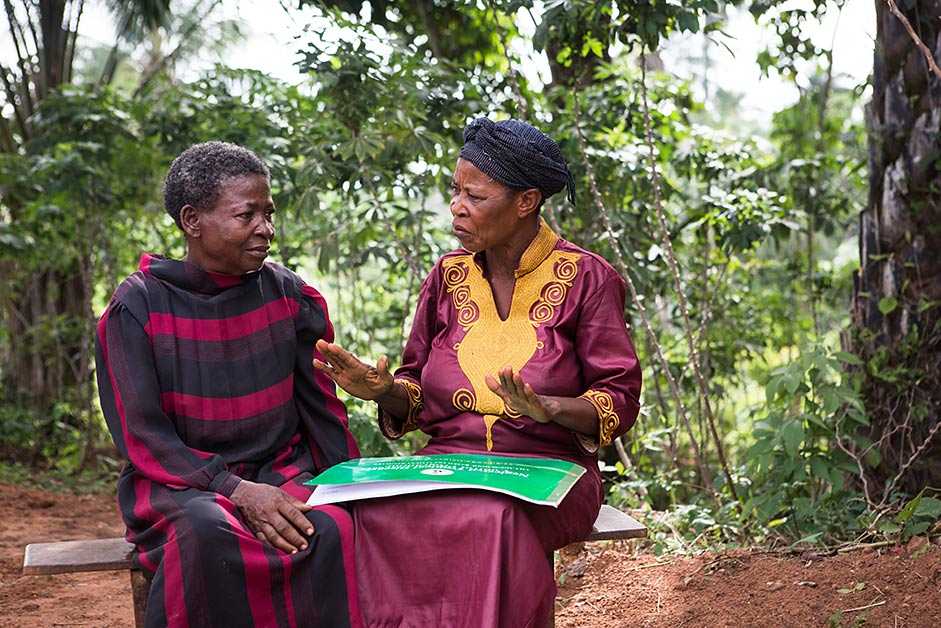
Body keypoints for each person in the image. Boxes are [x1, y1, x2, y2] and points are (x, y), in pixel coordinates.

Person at [315, 117, 642, 627]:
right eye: (454, 191)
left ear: (526, 202)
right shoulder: (448, 276)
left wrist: (551, 407)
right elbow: (417, 389)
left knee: (492, 518)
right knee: (367, 515)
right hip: (448, 464)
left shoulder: (588, 279)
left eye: (475, 195)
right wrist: (384, 392)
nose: (457, 207)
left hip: (551, 473)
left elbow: (620, 400)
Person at [95, 141, 362, 628]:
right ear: (192, 221)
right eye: (247, 215)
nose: (266, 229)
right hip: (181, 484)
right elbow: (144, 436)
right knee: (206, 534)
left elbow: (321, 409)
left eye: (269, 213)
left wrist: (353, 484)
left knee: (333, 525)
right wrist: (232, 487)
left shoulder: (289, 296)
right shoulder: (136, 308)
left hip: (283, 471)